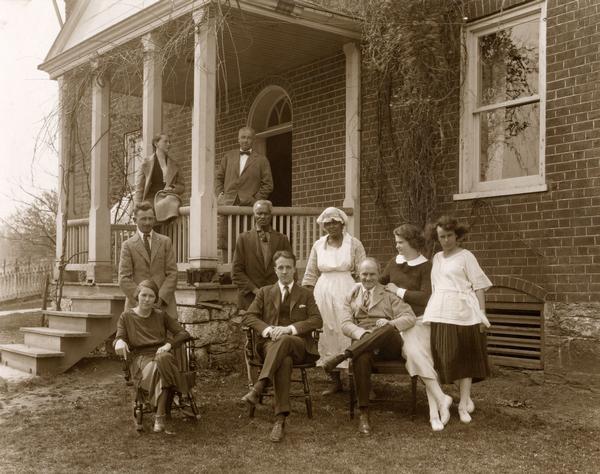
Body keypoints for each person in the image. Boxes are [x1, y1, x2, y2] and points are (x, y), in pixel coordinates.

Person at [321, 258, 416, 435]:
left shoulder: (388, 294)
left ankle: (344, 355)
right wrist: (362, 334)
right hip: (364, 344)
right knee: (361, 357)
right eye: (364, 274)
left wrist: (391, 322)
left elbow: (410, 317)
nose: (368, 278)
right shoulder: (351, 295)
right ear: (358, 274)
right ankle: (364, 413)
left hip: (388, 346)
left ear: (379, 275)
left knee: (387, 329)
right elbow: (345, 323)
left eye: (372, 274)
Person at [241, 251, 322, 442]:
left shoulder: (305, 294)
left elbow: (317, 320)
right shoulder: (264, 292)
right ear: (275, 270)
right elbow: (249, 316)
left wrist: (289, 329)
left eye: (288, 267)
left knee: (285, 340)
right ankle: (280, 420)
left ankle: (259, 386)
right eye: (281, 267)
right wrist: (268, 330)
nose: (285, 271)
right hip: (269, 346)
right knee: (283, 360)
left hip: (298, 345)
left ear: (295, 270)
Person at [380, 224, 452, 431]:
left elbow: (426, 297)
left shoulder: (426, 266)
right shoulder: (394, 262)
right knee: (419, 356)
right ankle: (440, 401)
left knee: (415, 353)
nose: (397, 247)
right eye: (396, 242)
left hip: (419, 321)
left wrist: (399, 291)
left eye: (400, 242)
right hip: (397, 322)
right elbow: (380, 283)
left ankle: (434, 413)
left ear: (412, 242)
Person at [423, 215, 492, 424]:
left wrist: (482, 313)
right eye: (441, 237)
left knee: (465, 359)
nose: (446, 240)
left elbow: (479, 285)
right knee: (445, 357)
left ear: (457, 235)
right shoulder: (436, 258)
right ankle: (445, 401)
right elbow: (436, 287)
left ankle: (463, 404)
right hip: (441, 312)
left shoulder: (466, 256)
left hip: (464, 313)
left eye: (449, 235)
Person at [302, 207, 366, 395]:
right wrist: (307, 298)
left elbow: (363, 270)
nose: (331, 226)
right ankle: (334, 380)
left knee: (347, 331)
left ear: (342, 223)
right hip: (323, 292)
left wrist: (362, 294)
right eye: (327, 223)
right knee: (327, 332)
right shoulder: (318, 245)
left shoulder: (353, 244)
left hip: (347, 291)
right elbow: (311, 273)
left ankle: (356, 380)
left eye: (334, 222)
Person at [114, 280, 191, 433]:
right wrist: (119, 342)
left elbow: (183, 333)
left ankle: (159, 417)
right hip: (140, 360)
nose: (147, 299)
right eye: (144, 295)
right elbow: (119, 337)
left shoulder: (160, 315)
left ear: (156, 299)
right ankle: (177, 389)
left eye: (151, 296)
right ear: (137, 295)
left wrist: (168, 345)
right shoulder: (126, 317)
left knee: (163, 360)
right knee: (162, 364)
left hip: (161, 354)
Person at [215, 127, 274, 250]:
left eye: (249, 138)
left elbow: (268, 184)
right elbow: (218, 178)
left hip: (249, 206)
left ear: (253, 140)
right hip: (228, 204)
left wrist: (255, 200)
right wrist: (221, 194)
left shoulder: (262, 160)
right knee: (226, 240)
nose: (246, 140)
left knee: (248, 241)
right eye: (243, 137)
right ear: (238, 139)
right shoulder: (228, 156)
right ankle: (228, 268)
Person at [119, 201, 178, 318]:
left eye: (150, 219)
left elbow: (172, 273)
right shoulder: (128, 245)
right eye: (143, 219)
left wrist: (160, 298)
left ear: (154, 219)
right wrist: (143, 299)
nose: (147, 222)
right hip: (137, 306)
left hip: (163, 305)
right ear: (135, 220)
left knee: (167, 336)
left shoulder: (165, 242)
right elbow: (124, 278)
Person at [232, 200, 292, 311]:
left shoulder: (282, 239)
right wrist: (255, 290)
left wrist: (281, 290)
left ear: (271, 215)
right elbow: (236, 272)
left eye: (266, 213)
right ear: (254, 215)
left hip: (276, 298)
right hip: (250, 298)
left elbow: (290, 268)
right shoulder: (244, 239)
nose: (263, 216)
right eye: (259, 213)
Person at [133, 133, 184, 212]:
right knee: (150, 211)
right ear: (156, 144)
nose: (169, 144)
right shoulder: (146, 164)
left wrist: (172, 189)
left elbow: (181, 186)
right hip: (151, 200)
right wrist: (137, 207)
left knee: (171, 204)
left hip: (168, 198)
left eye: (169, 142)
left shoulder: (175, 165)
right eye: (165, 142)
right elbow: (139, 188)